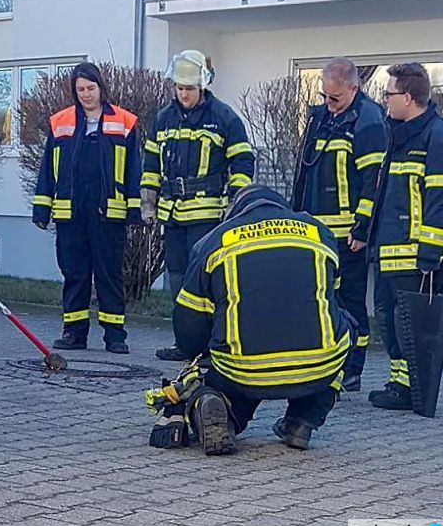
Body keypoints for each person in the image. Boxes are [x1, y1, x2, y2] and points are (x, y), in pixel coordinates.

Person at [146, 185, 354, 455]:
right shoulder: (319, 233)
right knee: (349, 326)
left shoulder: (215, 241)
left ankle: (223, 411)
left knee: (229, 376)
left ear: (236, 212)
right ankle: (302, 422)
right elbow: (332, 302)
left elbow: (188, 331)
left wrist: (206, 353)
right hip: (318, 367)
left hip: (242, 369)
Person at [140, 50, 255, 362]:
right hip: (173, 216)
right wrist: (148, 200)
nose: (183, 94)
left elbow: (243, 161)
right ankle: (185, 343)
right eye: (179, 88)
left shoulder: (224, 117)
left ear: (202, 86)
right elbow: (151, 164)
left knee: (206, 281)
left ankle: (211, 345)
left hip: (207, 217)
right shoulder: (163, 119)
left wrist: (237, 201)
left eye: (189, 89)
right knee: (177, 279)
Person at [368, 63, 443, 410]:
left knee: (408, 321)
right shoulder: (395, 133)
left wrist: (430, 255)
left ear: (408, 97)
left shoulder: (438, 136)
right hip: (389, 250)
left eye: (389, 94)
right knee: (390, 320)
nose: (385, 101)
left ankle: (413, 388)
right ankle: (400, 383)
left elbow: (442, 201)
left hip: (415, 255)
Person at [292, 57, 387, 392]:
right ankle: (323, 363)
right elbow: (305, 174)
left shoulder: (369, 120)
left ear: (353, 88)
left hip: (348, 236)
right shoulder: (322, 118)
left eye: (335, 98)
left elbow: (372, 181)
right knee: (320, 300)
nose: (328, 105)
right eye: (324, 97)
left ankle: (353, 370)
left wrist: (362, 229)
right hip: (316, 231)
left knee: (350, 301)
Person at [32, 62, 141, 354]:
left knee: (109, 274)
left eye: (90, 88)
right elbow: (47, 170)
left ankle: (115, 336)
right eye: (80, 89)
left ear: (101, 88)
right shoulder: (61, 122)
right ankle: (74, 334)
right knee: (75, 274)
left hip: (109, 214)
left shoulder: (125, 122)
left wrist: (135, 209)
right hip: (71, 213)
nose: (86, 94)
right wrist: (42, 206)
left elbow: (134, 170)